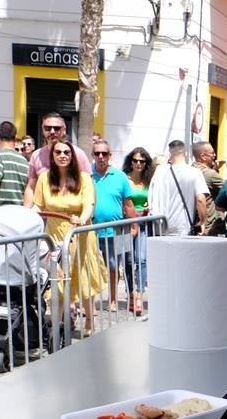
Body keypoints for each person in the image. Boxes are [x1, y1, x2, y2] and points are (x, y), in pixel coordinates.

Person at [26, 141, 105, 337]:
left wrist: (82, 218)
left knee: (83, 277)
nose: (62, 155)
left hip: (80, 235)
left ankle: (88, 319)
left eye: (67, 152)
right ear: (53, 156)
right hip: (54, 235)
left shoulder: (83, 178)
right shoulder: (44, 178)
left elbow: (89, 203)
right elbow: (38, 205)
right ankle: (57, 326)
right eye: (58, 152)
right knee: (57, 281)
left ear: (72, 156)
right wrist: (26, 218)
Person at [88, 139, 134, 307]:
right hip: (91, 231)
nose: (101, 157)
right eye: (97, 153)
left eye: (104, 153)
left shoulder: (120, 176)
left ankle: (113, 299)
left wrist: (134, 226)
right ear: (93, 155)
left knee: (114, 267)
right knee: (90, 269)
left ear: (110, 155)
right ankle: (91, 304)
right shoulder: (87, 175)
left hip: (115, 232)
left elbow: (128, 204)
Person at [22, 112, 90, 206]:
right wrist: (27, 212)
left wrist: (85, 215)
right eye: (48, 128)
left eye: (57, 128)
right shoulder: (36, 156)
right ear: (42, 130)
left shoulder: (78, 154)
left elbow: (89, 187)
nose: (52, 131)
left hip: (72, 216)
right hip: (44, 215)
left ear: (64, 130)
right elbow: (30, 187)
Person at [147, 140, 207, 237]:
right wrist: (203, 222)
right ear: (186, 153)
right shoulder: (195, 173)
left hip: (160, 227)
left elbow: (151, 196)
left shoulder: (160, 171)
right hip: (183, 228)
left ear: (170, 154)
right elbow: (201, 200)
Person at [122, 146, 154, 316]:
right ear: (131, 161)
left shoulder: (150, 180)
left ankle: (139, 295)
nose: (139, 163)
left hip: (143, 223)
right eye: (135, 160)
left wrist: (150, 205)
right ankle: (130, 294)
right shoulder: (124, 179)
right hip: (127, 223)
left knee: (141, 259)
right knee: (127, 260)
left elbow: (155, 197)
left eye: (142, 161)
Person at [191, 140, 226, 236]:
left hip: (194, 222)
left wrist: (214, 168)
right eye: (212, 153)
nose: (214, 156)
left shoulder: (191, 169)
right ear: (203, 156)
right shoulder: (211, 174)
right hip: (210, 225)